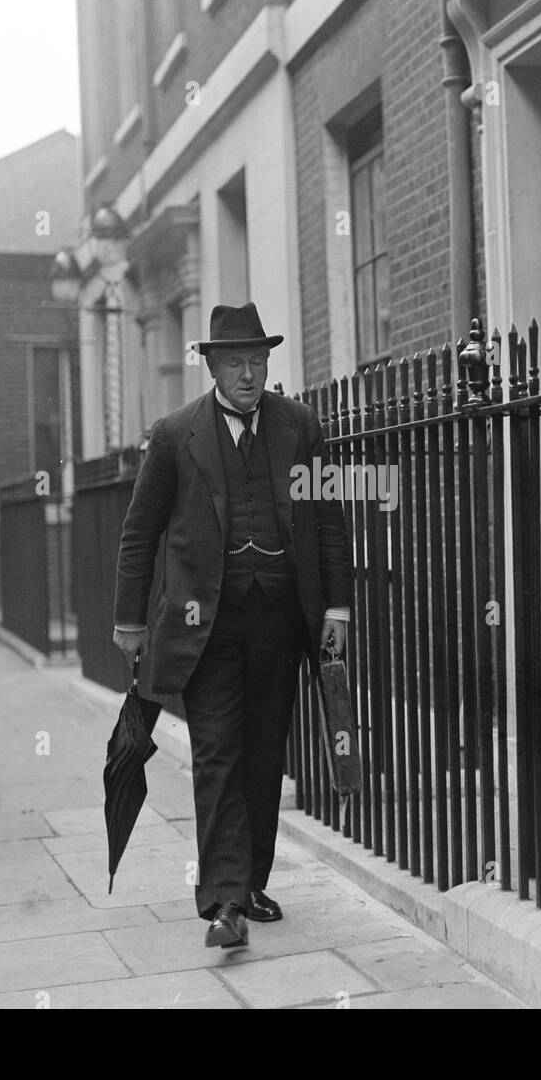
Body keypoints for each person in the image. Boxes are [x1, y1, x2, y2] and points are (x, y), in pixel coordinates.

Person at [113, 302, 352, 949]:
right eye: (236, 362)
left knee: (265, 753)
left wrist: (336, 609)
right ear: (213, 365)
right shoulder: (174, 434)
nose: (249, 374)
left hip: (279, 618)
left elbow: (328, 519)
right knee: (217, 752)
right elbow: (140, 531)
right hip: (205, 625)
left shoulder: (300, 426)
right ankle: (224, 901)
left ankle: (250, 882)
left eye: (258, 361)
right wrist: (130, 618)